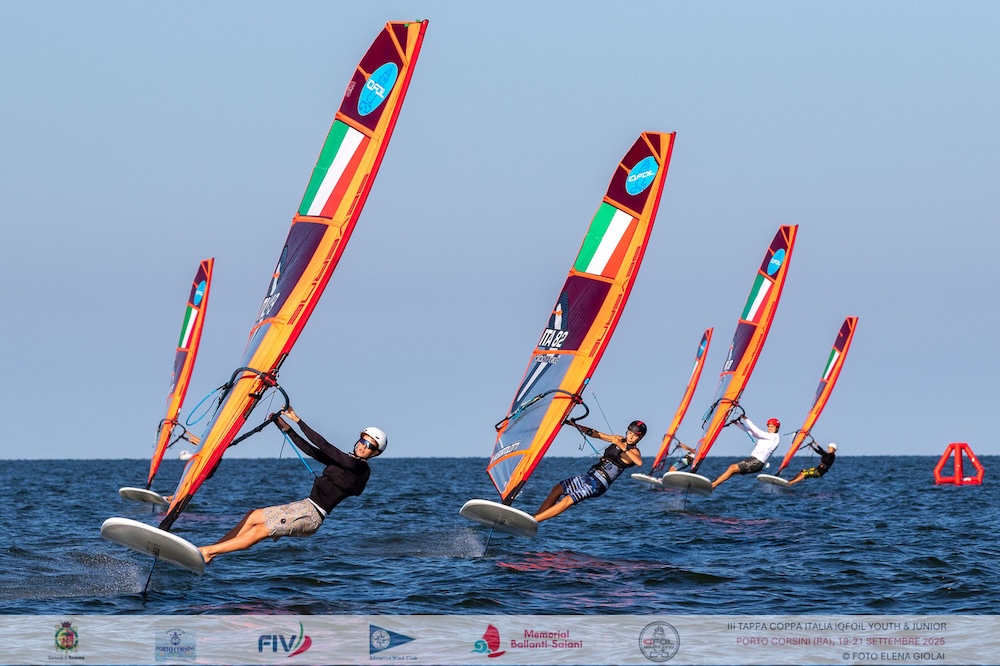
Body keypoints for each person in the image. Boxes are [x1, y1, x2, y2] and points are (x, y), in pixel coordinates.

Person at [198, 408, 386, 564]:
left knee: (260, 530)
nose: (363, 446)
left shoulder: (359, 468)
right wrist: (286, 428)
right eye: (363, 441)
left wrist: (298, 420)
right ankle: (211, 552)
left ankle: (207, 552)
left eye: (370, 446)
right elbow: (311, 450)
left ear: (375, 453)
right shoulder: (346, 462)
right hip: (304, 505)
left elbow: (324, 445)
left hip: (311, 515)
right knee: (253, 515)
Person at [534, 419, 645, 523]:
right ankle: (534, 518)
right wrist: (574, 425)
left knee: (568, 499)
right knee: (558, 488)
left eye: (635, 435)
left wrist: (620, 445)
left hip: (599, 483)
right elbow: (596, 434)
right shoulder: (619, 439)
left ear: (640, 438)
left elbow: (639, 462)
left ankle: (535, 519)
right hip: (590, 475)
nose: (631, 436)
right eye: (630, 433)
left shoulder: (634, 451)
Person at [711, 415, 781, 488]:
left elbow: (758, 432)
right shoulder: (767, 436)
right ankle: (713, 484)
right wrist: (737, 424)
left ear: (777, 428)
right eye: (769, 426)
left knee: (732, 468)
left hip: (757, 462)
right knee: (732, 469)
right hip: (753, 460)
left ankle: (713, 485)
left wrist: (746, 419)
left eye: (772, 427)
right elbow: (751, 432)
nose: (770, 428)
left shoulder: (775, 437)